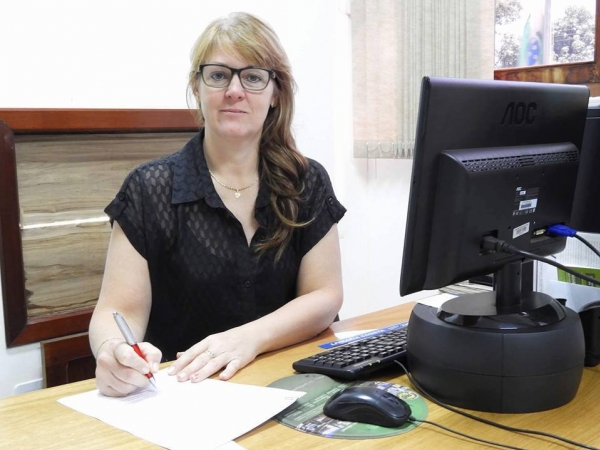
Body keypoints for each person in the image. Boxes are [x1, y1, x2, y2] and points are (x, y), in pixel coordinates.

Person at [88, 12, 346, 397]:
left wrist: (248, 339)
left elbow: (324, 295)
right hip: (188, 393)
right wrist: (113, 350)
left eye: (253, 77)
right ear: (197, 87)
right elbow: (118, 310)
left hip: (291, 383)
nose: (234, 90)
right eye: (219, 75)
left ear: (276, 94)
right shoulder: (148, 188)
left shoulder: (306, 181)